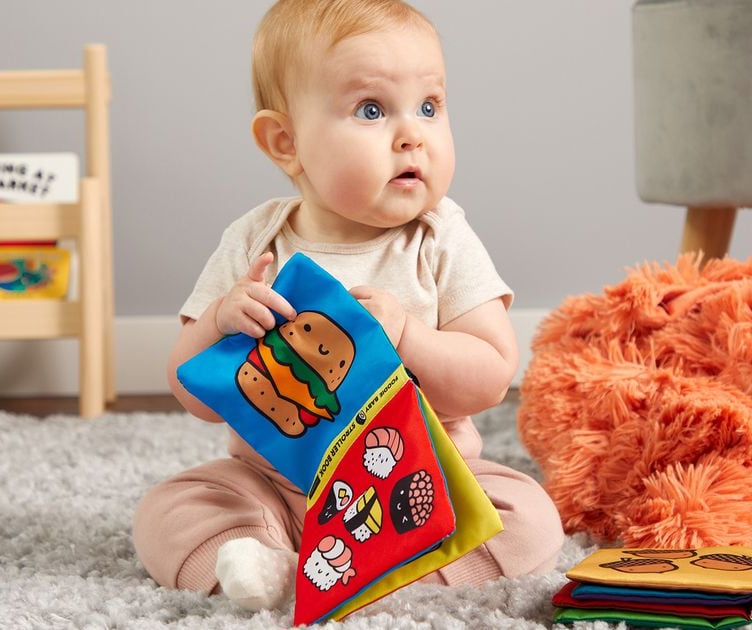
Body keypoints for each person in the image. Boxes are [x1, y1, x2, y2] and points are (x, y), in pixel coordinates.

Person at [133, 0, 563, 611]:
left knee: (529, 517)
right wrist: (219, 321)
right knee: (170, 509)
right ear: (286, 142)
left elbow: (491, 376)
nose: (412, 132)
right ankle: (270, 562)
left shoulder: (441, 239)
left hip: (415, 486)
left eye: (430, 107)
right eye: (372, 109)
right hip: (276, 489)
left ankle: (373, 573)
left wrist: (409, 338)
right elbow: (192, 392)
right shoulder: (255, 242)